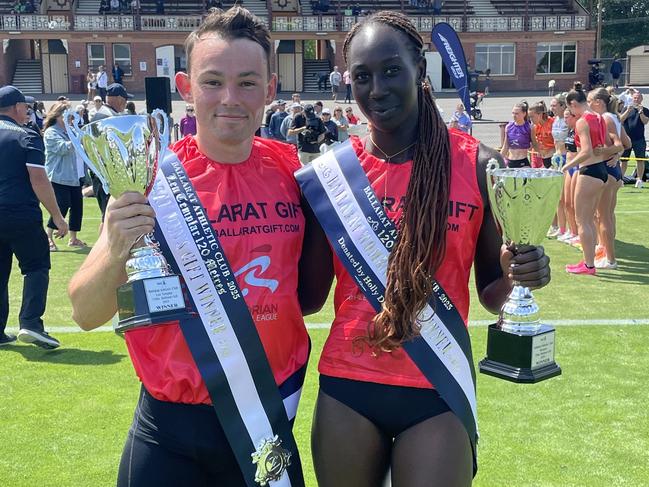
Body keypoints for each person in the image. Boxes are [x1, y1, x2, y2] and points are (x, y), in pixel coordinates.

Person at [67, 8, 327, 486]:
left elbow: (310, 296)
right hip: (169, 436)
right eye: (213, 81)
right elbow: (85, 311)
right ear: (186, 87)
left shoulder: (297, 175)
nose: (230, 99)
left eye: (247, 83)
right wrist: (120, 243)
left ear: (270, 90)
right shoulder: (150, 180)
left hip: (266, 425)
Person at [305, 12, 551, 487]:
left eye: (391, 69)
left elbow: (493, 293)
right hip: (347, 387)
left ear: (420, 66)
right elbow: (309, 297)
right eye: (362, 76)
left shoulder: (478, 165)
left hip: (436, 387)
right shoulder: (331, 176)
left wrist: (519, 272)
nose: (376, 88)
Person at [0, 85, 68, 349]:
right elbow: (38, 178)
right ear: (16, 107)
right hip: (20, 213)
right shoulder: (26, 135)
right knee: (36, 266)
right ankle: (30, 323)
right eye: (25, 107)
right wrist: (57, 216)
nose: (27, 112)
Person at [562, 82, 621, 275]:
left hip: (589, 171)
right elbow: (605, 146)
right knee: (592, 219)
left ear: (572, 104)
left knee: (583, 220)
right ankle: (589, 260)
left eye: (570, 109)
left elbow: (586, 151)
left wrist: (566, 166)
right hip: (601, 171)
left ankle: (588, 265)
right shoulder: (599, 117)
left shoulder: (582, 120)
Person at [588, 88, 630, 270]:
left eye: (590, 101)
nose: (588, 105)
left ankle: (610, 259)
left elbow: (619, 144)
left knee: (603, 216)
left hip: (607, 169)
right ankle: (605, 250)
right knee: (606, 215)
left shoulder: (605, 118)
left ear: (599, 102)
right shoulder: (614, 117)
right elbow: (625, 144)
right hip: (613, 170)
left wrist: (604, 151)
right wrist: (617, 153)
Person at [42, 102, 86, 251]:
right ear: (57, 115)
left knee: (77, 207)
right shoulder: (51, 132)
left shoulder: (70, 131)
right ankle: (48, 237)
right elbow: (62, 148)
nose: (69, 117)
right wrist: (76, 139)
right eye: (65, 114)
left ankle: (73, 238)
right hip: (59, 176)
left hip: (74, 176)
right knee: (61, 205)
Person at [549, 94, 570, 240]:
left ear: (563, 106)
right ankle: (559, 227)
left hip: (566, 159)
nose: (552, 108)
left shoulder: (568, 121)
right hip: (556, 158)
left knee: (565, 197)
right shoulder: (555, 120)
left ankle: (567, 229)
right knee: (556, 196)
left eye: (555, 105)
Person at [620, 91, 649, 188]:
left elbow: (645, 121)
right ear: (632, 98)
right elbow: (620, 120)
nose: (636, 99)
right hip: (626, 139)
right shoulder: (625, 108)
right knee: (624, 160)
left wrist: (640, 112)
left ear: (641, 99)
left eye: (638, 98)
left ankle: (639, 179)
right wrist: (628, 111)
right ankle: (621, 179)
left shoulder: (645, 110)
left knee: (640, 160)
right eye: (635, 98)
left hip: (639, 139)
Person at [500, 101, 534, 167]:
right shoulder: (509, 126)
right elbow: (505, 146)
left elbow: (534, 144)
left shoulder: (529, 127)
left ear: (524, 114)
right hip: (511, 162)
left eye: (517, 114)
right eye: (513, 113)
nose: (514, 116)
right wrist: (498, 159)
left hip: (523, 161)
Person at [529, 101, 555, 168]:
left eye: (532, 117)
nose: (531, 119)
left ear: (540, 115)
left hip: (554, 157)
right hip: (544, 158)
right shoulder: (535, 127)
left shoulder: (553, 123)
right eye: (529, 117)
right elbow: (535, 143)